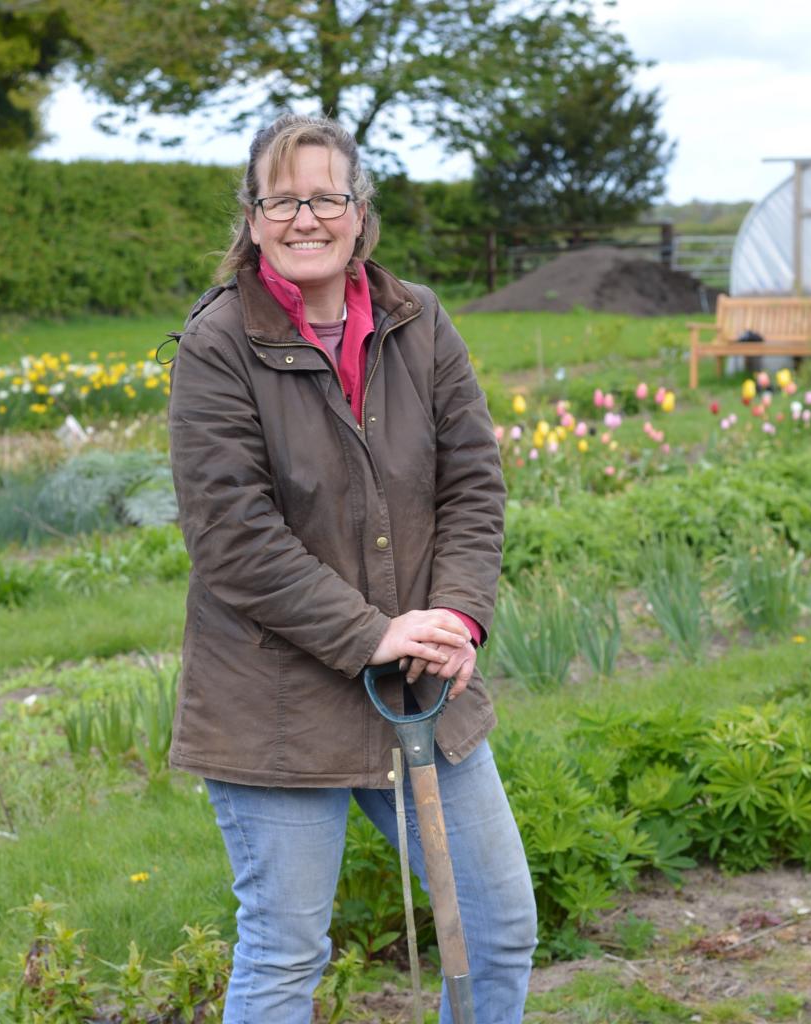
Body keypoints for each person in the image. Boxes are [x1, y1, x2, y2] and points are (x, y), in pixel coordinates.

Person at [167, 112, 537, 1023]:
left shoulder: (418, 322)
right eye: (282, 200)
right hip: (275, 702)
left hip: (420, 683)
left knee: (496, 929)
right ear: (253, 219)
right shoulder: (219, 343)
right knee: (286, 953)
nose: (305, 218)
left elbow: (472, 482)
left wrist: (455, 618)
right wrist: (371, 633)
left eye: (326, 197)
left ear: (359, 212)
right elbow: (232, 535)